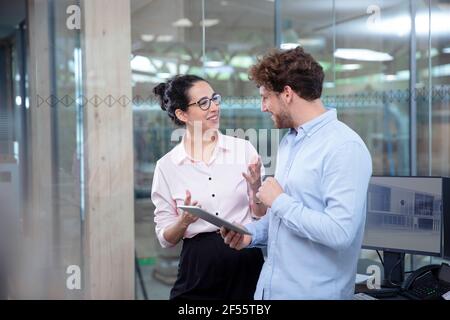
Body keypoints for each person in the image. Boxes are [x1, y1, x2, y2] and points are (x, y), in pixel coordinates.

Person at [221, 47, 373, 300]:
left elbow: (340, 233)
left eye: (265, 97)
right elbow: (283, 219)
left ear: (288, 94)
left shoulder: (344, 147)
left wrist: (279, 201)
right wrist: (251, 234)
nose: (263, 107)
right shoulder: (290, 142)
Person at [151, 74, 265, 300]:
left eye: (214, 99)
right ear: (182, 114)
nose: (214, 107)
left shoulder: (243, 150)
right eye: (203, 103)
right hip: (198, 264)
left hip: (244, 256)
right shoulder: (167, 166)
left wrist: (256, 189)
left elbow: (261, 216)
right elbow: (166, 238)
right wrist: (183, 222)